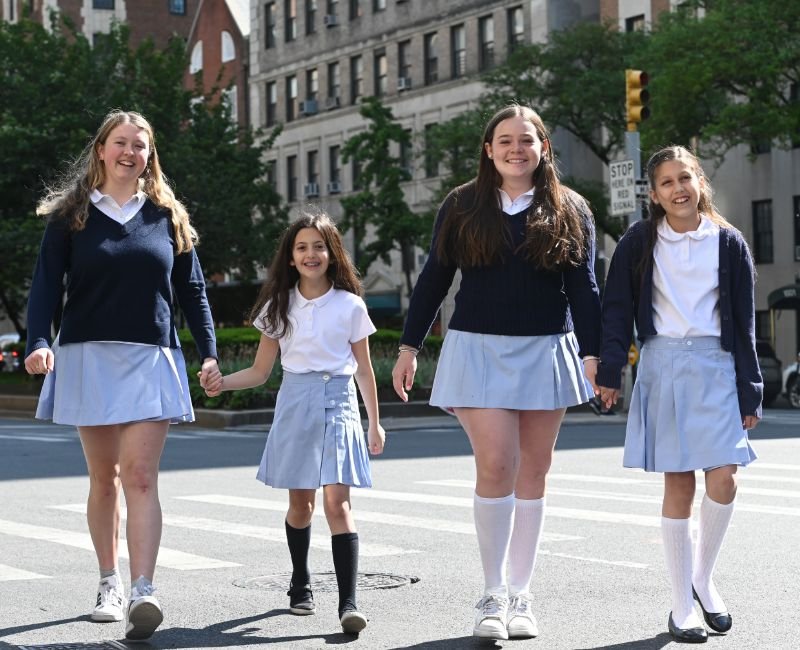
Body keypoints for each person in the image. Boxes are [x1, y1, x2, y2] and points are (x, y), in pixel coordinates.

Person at [391, 104, 601, 641]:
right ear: (489, 149)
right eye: (504, 140)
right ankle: (491, 593)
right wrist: (409, 346)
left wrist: (596, 354)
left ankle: (521, 594)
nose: (515, 149)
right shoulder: (461, 204)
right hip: (476, 348)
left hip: (547, 349)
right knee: (497, 463)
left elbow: (584, 289)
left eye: (526, 140)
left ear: (543, 148)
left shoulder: (572, 207)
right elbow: (434, 277)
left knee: (534, 472)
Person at [24, 110, 221, 641]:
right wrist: (38, 341)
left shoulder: (167, 216)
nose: (130, 152)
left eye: (141, 145)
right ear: (102, 151)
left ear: (149, 156)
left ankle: (142, 589)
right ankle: (108, 581)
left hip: (151, 358)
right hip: (88, 357)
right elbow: (45, 284)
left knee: (140, 476)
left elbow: (194, 290)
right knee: (104, 481)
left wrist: (208, 352)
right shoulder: (71, 216)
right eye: (120, 143)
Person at [596, 145, 760, 644]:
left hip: (717, 365)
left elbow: (745, 321)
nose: (678, 189)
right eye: (666, 182)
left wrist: (750, 389)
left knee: (725, 477)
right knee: (679, 484)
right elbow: (617, 309)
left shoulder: (728, 242)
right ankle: (680, 604)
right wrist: (608, 371)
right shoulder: (639, 242)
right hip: (663, 363)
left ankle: (703, 578)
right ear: (654, 193)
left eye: (684, 178)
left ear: (699, 181)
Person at [201, 211, 385, 635]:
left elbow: (364, 370)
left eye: (318, 246)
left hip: (339, 403)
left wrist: (374, 423)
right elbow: (261, 371)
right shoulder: (277, 306)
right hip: (295, 401)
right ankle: (300, 580)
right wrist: (221, 384)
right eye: (301, 247)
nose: (310, 254)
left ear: (332, 253)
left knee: (338, 504)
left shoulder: (350, 305)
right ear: (290, 257)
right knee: (301, 506)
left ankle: (348, 603)